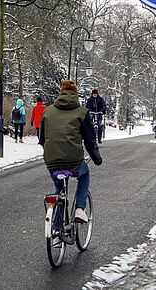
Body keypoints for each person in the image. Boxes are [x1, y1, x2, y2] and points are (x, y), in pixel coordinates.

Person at [39, 80, 102, 223]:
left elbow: (42, 138)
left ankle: (55, 231)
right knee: (84, 174)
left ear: (61, 92)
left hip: (52, 161)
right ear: (76, 94)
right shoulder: (82, 112)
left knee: (60, 192)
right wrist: (97, 159)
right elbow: (90, 141)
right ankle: (80, 208)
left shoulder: (47, 111)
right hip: (73, 161)